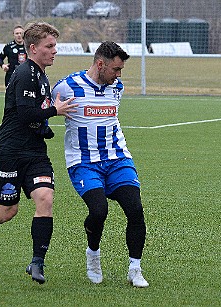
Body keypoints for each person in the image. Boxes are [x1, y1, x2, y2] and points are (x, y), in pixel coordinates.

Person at [0, 22, 78, 284]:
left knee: (45, 198)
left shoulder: (41, 74)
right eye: (49, 46)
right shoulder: (24, 73)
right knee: (8, 210)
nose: (55, 51)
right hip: (8, 152)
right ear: (33, 48)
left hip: (34, 154)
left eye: (55, 46)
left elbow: (33, 117)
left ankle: (37, 262)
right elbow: (25, 113)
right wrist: (55, 111)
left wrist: (44, 128)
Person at [52, 41, 149, 288]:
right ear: (100, 64)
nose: (119, 75)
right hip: (83, 162)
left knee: (135, 210)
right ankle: (93, 255)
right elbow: (44, 110)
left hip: (117, 158)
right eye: (116, 69)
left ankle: (135, 269)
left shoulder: (116, 87)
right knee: (99, 211)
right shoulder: (66, 87)